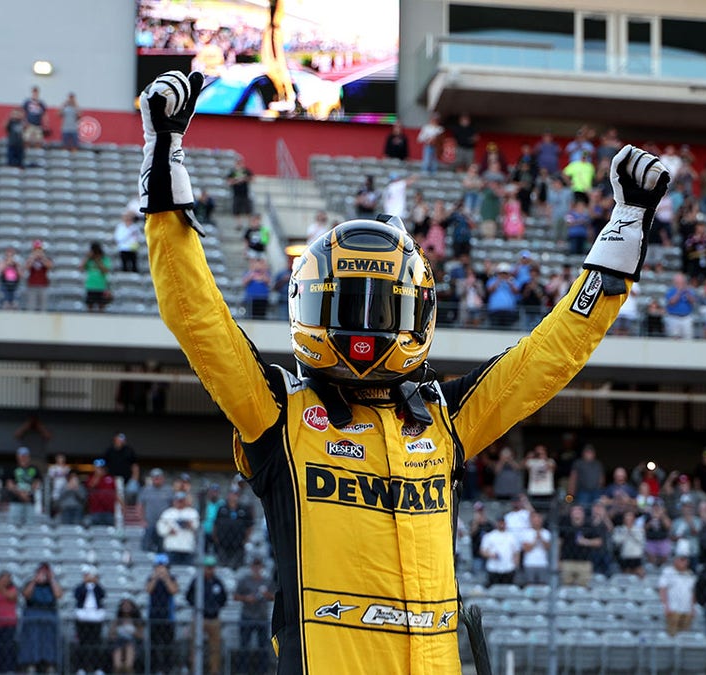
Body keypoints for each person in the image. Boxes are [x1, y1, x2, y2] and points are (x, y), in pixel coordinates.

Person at [139, 70, 669, 672]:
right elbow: (197, 318)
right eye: (347, 304)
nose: (364, 327)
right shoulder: (277, 413)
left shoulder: (444, 415)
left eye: (382, 305)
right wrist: (164, 159)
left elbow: (550, 355)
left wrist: (625, 227)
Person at [186, 556, 229, 675]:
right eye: (207, 567)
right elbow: (188, 596)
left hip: (214, 618)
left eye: (211, 567)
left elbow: (224, 598)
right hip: (199, 617)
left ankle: (214, 671)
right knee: (194, 646)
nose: (209, 570)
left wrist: (215, 607)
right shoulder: (197, 581)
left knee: (215, 648)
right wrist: (197, 606)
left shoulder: (217, 582)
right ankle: (194, 670)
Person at [18, 562, 63, 673]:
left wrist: (51, 580)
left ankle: (49, 663)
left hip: (49, 614)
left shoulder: (52, 584)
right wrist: (34, 581)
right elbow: (26, 594)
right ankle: (31, 663)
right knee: (32, 640)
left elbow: (58, 595)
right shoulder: (30, 583)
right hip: (33, 614)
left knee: (49, 641)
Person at [235, 558, 274, 672]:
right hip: (247, 615)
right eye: (255, 566)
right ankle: (243, 671)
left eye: (259, 566)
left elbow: (274, 596)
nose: (257, 569)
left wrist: (267, 595)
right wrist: (246, 598)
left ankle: (263, 671)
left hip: (262, 617)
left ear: (262, 567)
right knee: (244, 646)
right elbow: (235, 596)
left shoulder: (267, 581)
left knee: (263, 646)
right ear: (251, 567)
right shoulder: (244, 580)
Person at [146, 554, 179, 675]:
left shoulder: (172, 578)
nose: (160, 568)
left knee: (167, 646)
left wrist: (165, 578)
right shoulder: (151, 578)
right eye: (158, 566)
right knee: (153, 645)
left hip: (168, 617)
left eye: (163, 566)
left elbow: (173, 590)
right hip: (154, 616)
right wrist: (155, 578)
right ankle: (153, 669)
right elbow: (148, 590)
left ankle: (167, 669)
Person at [73, 566, 108, 675]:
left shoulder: (97, 588)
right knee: (82, 643)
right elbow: (77, 595)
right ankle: (81, 668)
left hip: (96, 617)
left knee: (96, 643)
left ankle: (97, 668)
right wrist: (86, 585)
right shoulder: (80, 587)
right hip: (83, 617)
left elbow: (102, 595)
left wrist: (95, 584)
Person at [658, 553, 697, 636]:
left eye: (685, 560)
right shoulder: (668, 572)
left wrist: (692, 608)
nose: (683, 562)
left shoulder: (690, 574)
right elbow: (662, 589)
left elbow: (693, 592)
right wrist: (666, 606)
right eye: (681, 559)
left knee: (685, 635)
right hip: (673, 609)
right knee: (672, 634)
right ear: (675, 560)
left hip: (687, 609)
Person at [157, 491, 199, 564]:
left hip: (187, 548)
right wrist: (169, 531)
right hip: (171, 547)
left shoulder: (192, 512)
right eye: (178, 500)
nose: (179, 502)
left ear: (185, 501)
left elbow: (197, 526)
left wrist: (189, 525)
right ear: (174, 501)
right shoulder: (167, 513)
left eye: (182, 500)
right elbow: (160, 528)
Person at [3, 447, 41, 525]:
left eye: (25, 455)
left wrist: (28, 493)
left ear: (29, 457)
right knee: (13, 525)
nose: (23, 458)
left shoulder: (34, 469)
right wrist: (20, 494)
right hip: (15, 501)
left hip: (29, 501)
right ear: (17, 457)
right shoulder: (12, 468)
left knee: (30, 526)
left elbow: (37, 483)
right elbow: (9, 484)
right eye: (21, 455)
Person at [479, 516, 520, 585]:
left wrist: (516, 565)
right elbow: (482, 551)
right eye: (500, 523)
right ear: (496, 524)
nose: (501, 525)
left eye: (503, 523)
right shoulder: (489, 536)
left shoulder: (512, 536)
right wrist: (491, 555)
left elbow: (516, 552)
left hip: (508, 568)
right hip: (493, 568)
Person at [110, 598, 144, 674]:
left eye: (128, 605)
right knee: (118, 665)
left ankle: (129, 667)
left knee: (128, 663)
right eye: (124, 605)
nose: (126, 607)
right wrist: (117, 631)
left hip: (133, 644)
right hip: (118, 643)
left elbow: (141, 636)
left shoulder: (137, 621)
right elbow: (111, 635)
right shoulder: (117, 621)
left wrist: (132, 631)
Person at [24, 240, 54, 311]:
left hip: (43, 284)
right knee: (31, 306)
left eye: (39, 249)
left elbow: (50, 266)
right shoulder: (30, 258)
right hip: (32, 284)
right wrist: (33, 258)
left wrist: (43, 258)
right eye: (36, 250)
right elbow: (26, 267)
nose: (38, 251)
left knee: (43, 306)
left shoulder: (46, 258)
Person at [83, 242, 112, 312]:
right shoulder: (89, 260)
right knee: (89, 306)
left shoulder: (105, 259)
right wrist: (87, 258)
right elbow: (81, 267)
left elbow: (105, 270)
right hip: (90, 285)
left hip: (101, 286)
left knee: (101, 307)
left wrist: (97, 260)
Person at [227, 155, 254, 224]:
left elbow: (252, 179)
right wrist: (236, 181)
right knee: (236, 210)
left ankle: (250, 223)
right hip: (236, 193)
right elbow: (229, 182)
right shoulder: (232, 172)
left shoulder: (246, 170)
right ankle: (239, 223)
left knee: (248, 209)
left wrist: (244, 179)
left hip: (245, 193)